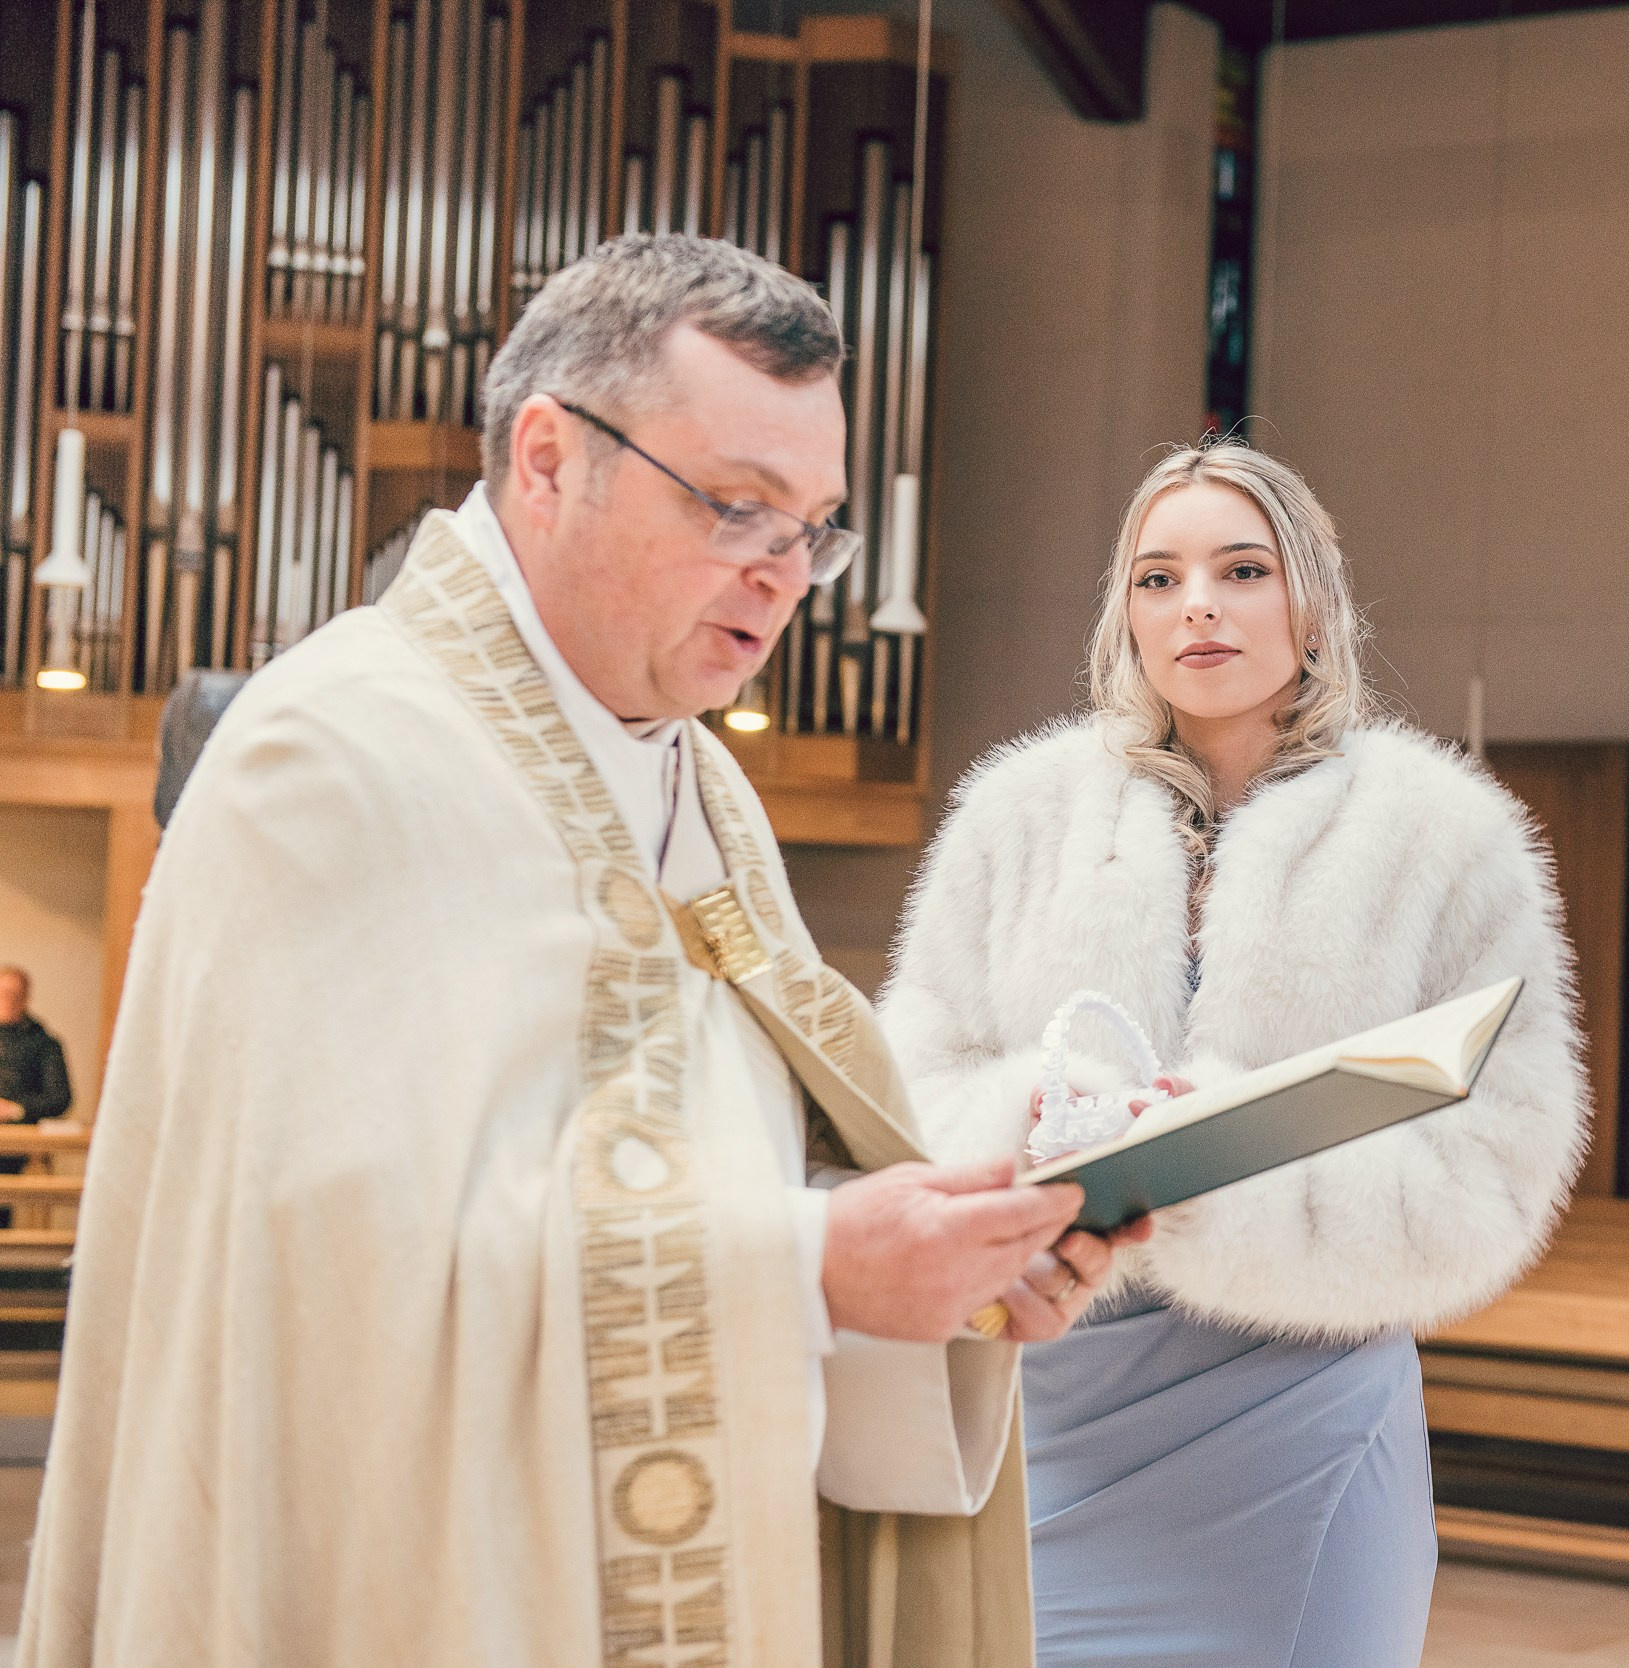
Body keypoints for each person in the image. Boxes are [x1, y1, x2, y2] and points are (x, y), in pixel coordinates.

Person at [20, 237, 1144, 1668]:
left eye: (817, 529)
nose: (790, 577)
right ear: (547, 459)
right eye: (739, 508)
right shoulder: (333, 753)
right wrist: (811, 1269)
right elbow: (334, 1301)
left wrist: (939, 1265)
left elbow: (717, 1156)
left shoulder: (698, 783)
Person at [879, 438, 1589, 1666]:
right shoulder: (1017, 817)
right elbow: (908, 1089)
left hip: (1300, 1401)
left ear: (1311, 604)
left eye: (1241, 569)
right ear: (1126, 618)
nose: (1196, 602)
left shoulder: (1444, 838)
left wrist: (1225, 1177)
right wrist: (1049, 1121)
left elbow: (1498, 1165)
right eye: (1157, 579)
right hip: (1049, 1391)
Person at [0, 967, 72, 1126]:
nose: (8, 1000)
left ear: (25, 998)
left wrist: (14, 1109)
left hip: (24, 1138)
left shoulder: (45, 1044)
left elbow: (59, 1098)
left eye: (15, 995)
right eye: (3, 993)